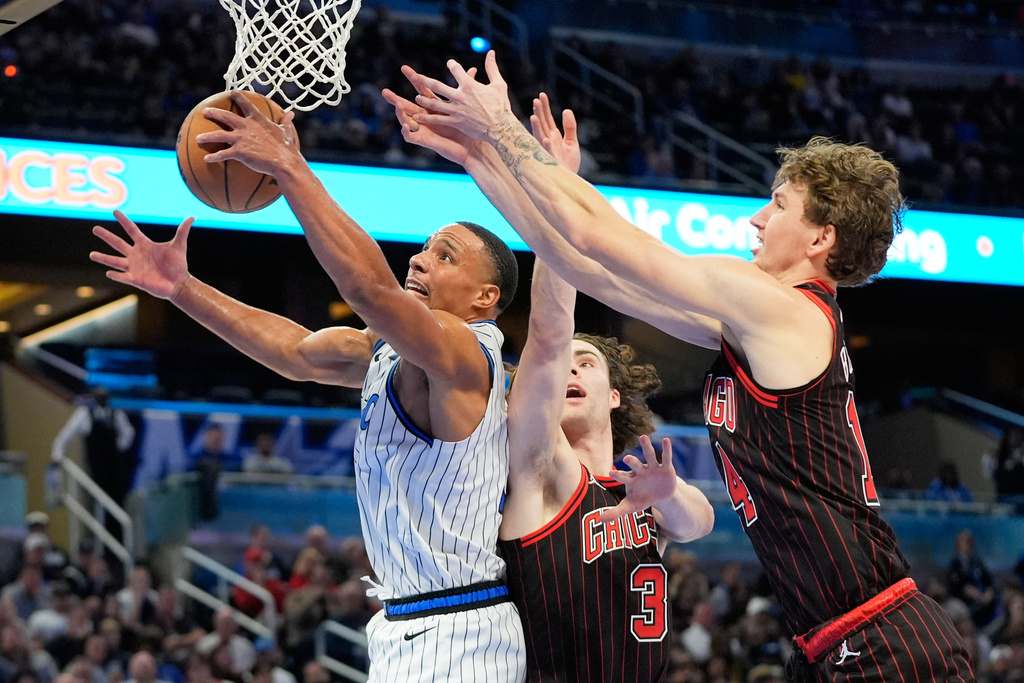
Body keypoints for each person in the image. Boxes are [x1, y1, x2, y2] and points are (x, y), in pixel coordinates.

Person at [396, 51, 975, 680]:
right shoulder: (761, 326)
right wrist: (482, 160)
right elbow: (586, 266)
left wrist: (500, 129)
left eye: (778, 206)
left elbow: (597, 235)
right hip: (831, 639)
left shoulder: (786, 310)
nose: (758, 218)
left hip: (879, 635)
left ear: (821, 239)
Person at [89, 88, 526, 682]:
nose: (420, 260)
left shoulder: (467, 354)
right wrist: (182, 291)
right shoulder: (387, 350)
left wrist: (289, 166)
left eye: (445, 256)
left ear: (486, 298)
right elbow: (294, 351)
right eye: (423, 249)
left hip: (461, 628)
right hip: (409, 624)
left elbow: (371, 291)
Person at [491, 101, 713, 681]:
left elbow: (699, 521)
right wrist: (559, 189)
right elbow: (546, 335)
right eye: (564, 363)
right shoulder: (539, 469)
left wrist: (665, 495)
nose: (568, 370)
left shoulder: (639, 486)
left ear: (614, 394)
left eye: (585, 363)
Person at [51, 387, 136, 541]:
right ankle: (91, 545)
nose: (102, 401)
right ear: (93, 398)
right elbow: (65, 436)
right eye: (99, 398)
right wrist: (57, 455)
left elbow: (128, 433)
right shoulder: (84, 414)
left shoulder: (115, 414)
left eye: (104, 398)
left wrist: (119, 447)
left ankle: (115, 544)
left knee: (115, 507)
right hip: (93, 470)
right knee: (90, 508)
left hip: (113, 470)